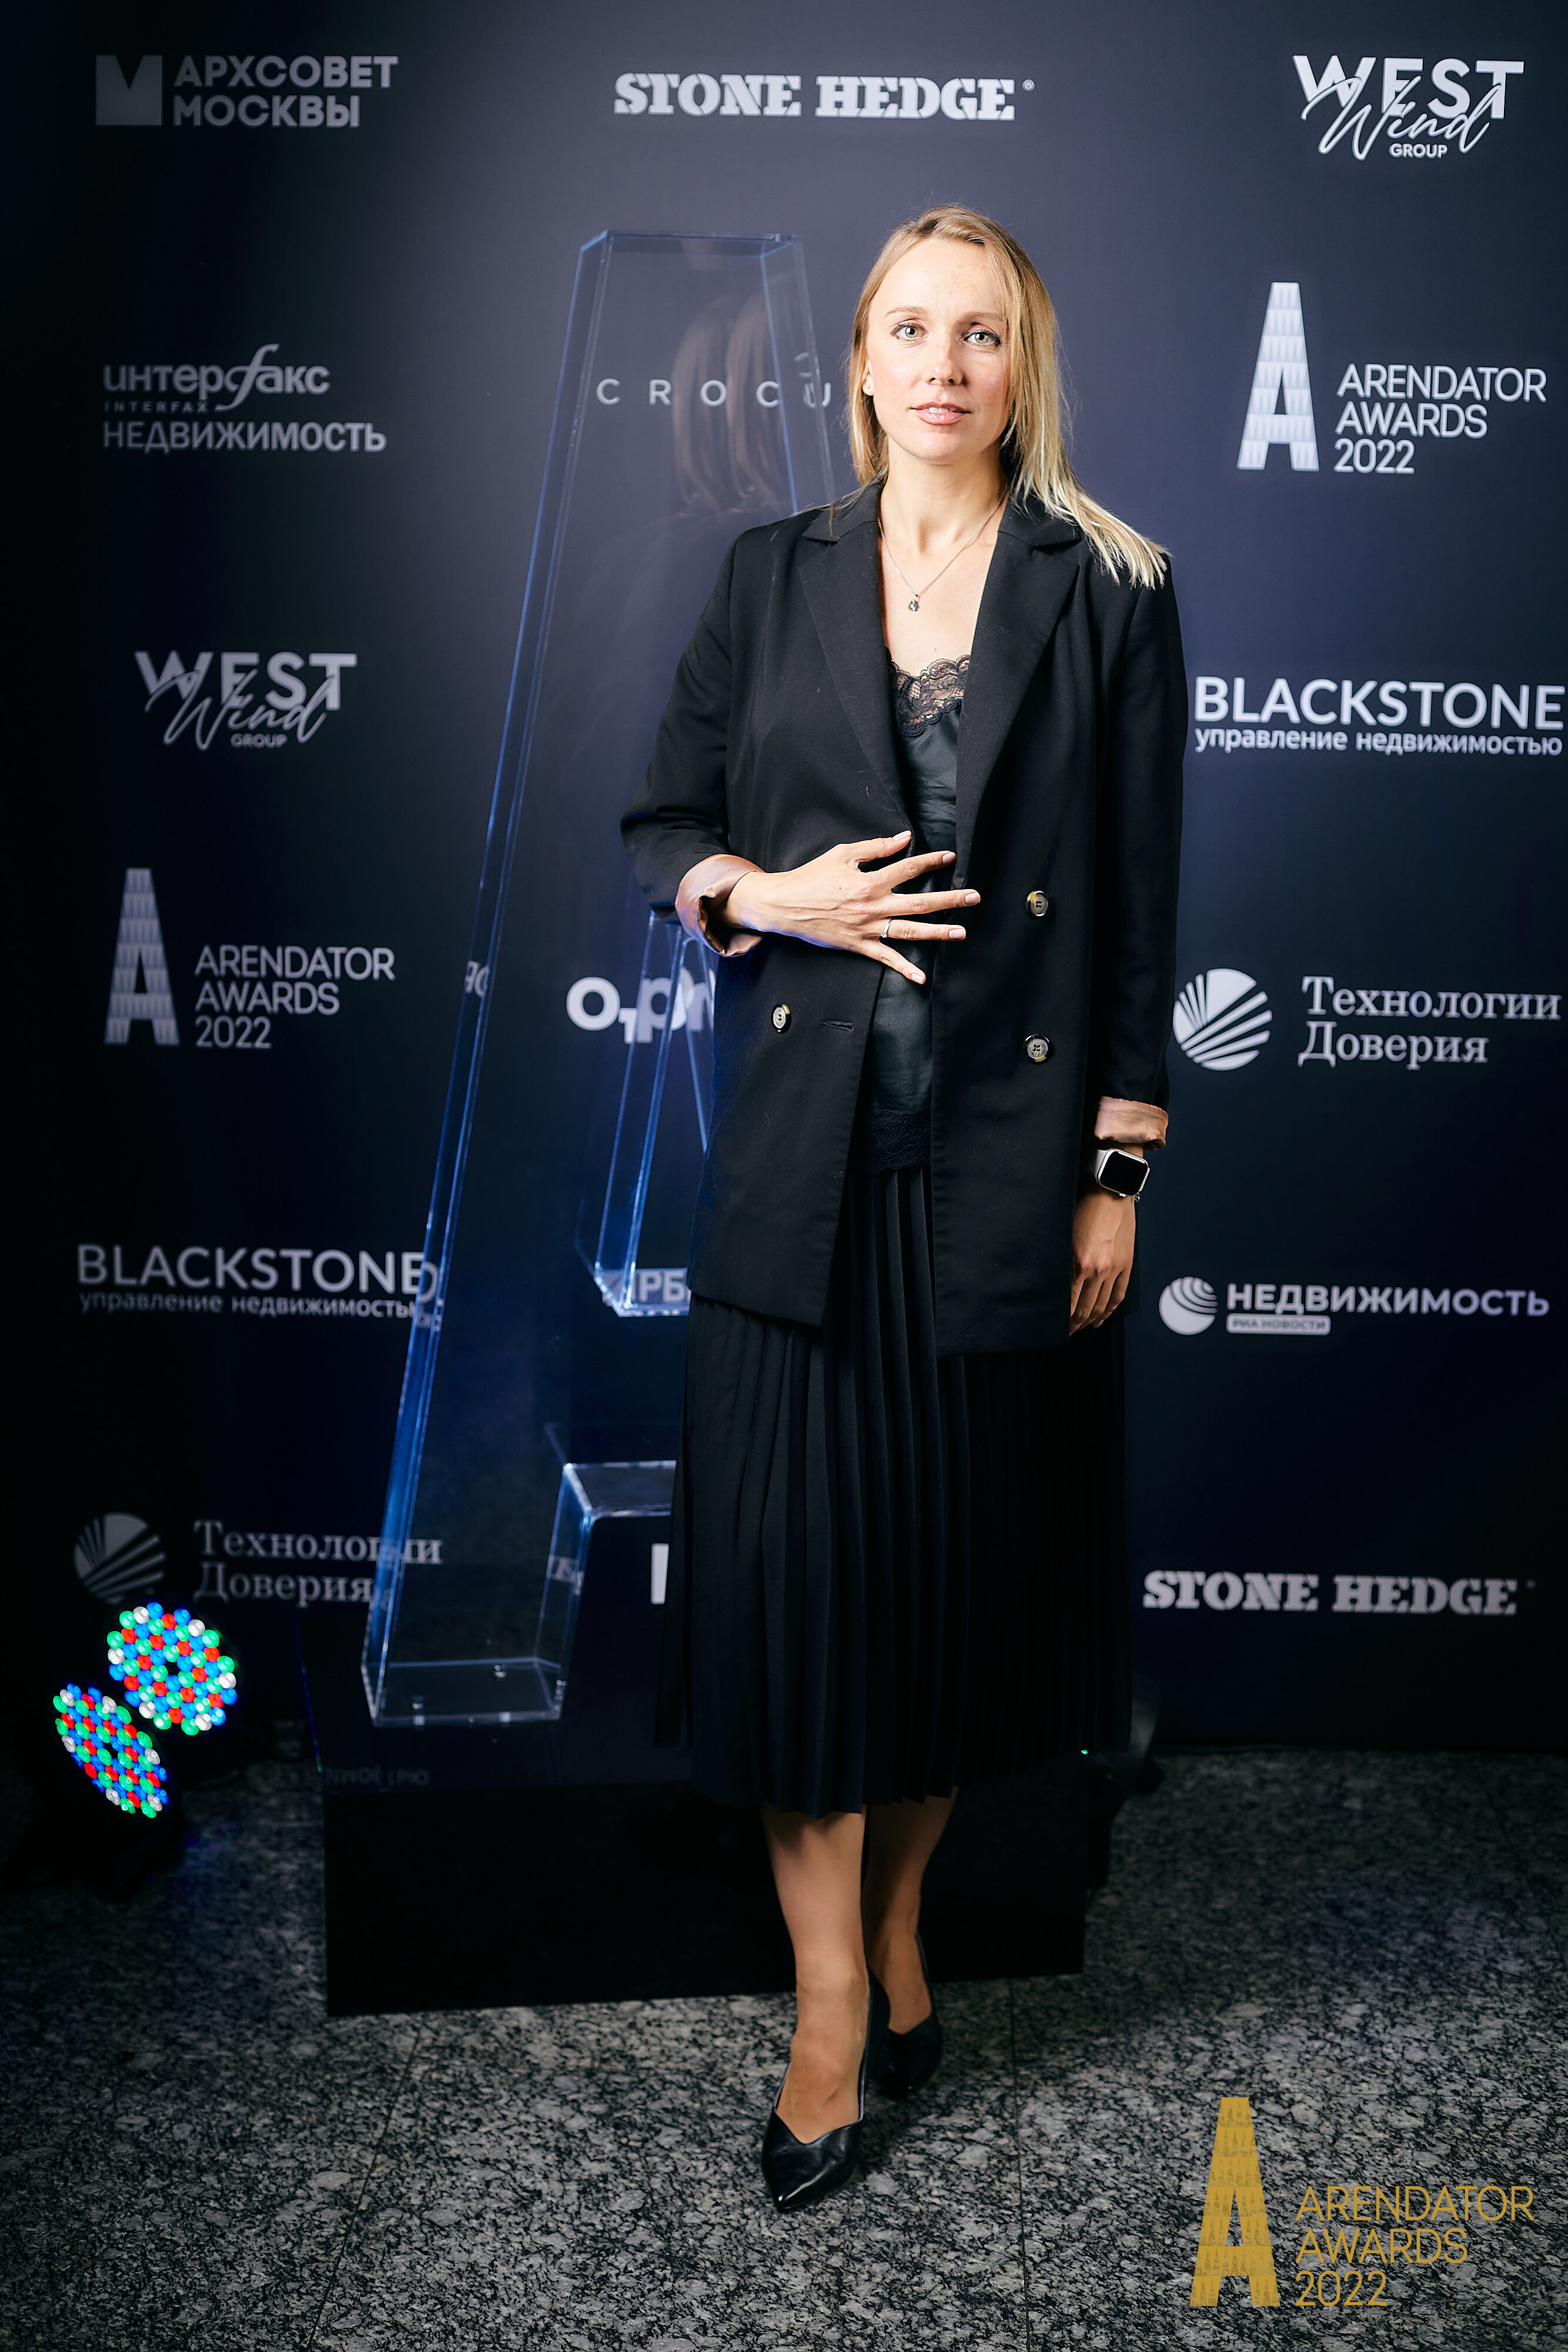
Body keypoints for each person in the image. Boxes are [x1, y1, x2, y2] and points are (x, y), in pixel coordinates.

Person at [622, 205, 1184, 2211]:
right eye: (910, 328)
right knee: (795, 1613)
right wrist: (762, 895)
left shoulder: (1107, 586)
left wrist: (1115, 1167)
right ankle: (831, 2004)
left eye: (982, 333)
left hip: (1004, 1177)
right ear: (856, 358)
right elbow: (664, 819)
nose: (943, 364)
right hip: (803, 1176)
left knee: (943, 1611)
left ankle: (902, 1922)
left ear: (1021, 370)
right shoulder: (766, 571)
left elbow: (1137, 904)